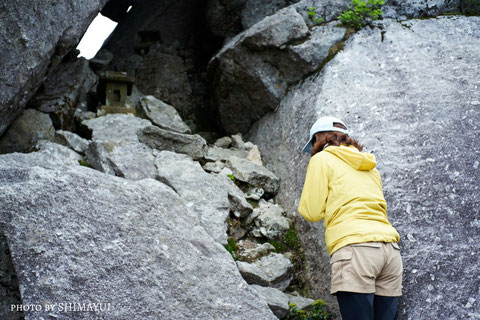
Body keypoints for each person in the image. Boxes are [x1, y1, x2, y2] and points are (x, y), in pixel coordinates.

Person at [298, 116, 403, 320]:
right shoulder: (369, 165)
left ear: (319, 137)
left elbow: (311, 211)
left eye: (312, 142)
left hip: (355, 249)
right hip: (390, 251)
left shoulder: (322, 159)